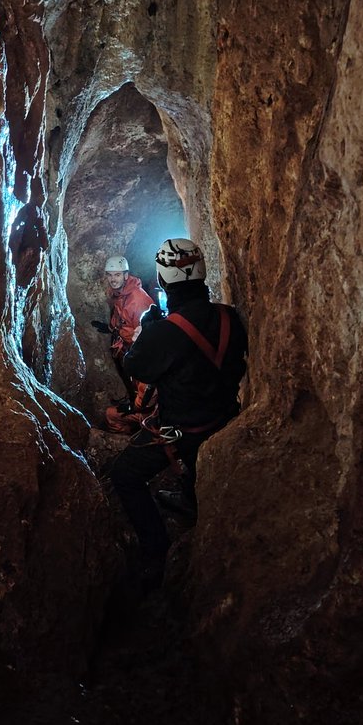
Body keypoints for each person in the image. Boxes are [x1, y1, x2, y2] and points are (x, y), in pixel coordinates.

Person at [107, 237, 248, 589]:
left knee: (124, 475)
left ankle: (156, 552)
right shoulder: (229, 317)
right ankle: (190, 494)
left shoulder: (166, 330)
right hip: (225, 419)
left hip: (183, 430)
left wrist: (152, 329)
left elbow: (138, 366)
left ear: (163, 281)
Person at [91, 254, 154, 368]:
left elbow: (147, 335)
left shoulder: (138, 301)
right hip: (124, 345)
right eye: (110, 275)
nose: (113, 279)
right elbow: (119, 313)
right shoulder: (119, 292)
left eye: (117, 275)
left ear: (126, 275)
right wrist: (110, 328)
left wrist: (138, 356)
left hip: (137, 350)